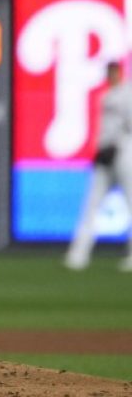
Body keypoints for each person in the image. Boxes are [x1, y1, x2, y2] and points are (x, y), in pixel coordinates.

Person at [64, 60, 132, 271]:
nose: (112, 76)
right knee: (91, 204)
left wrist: (117, 143)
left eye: (114, 72)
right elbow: (103, 129)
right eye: (109, 73)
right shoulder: (106, 96)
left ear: (120, 73)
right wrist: (100, 150)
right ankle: (78, 255)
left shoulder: (127, 93)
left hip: (125, 151)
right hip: (104, 155)